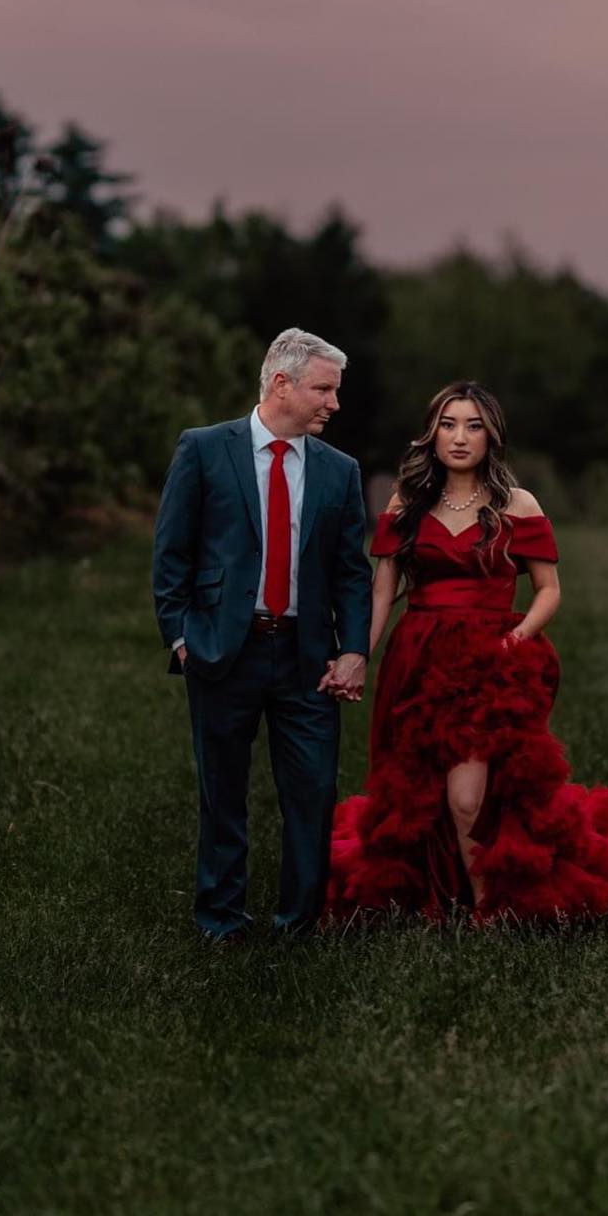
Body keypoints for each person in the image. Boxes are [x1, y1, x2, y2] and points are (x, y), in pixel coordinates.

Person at [330, 381, 608, 922]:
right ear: (431, 434)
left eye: (473, 426)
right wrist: (358, 656)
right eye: (448, 425)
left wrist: (513, 642)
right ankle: (436, 888)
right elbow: (382, 592)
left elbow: (549, 590)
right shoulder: (407, 502)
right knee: (418, 784)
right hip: (417, 657)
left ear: (491, 437)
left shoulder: (517, 504)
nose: (459, 437)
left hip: (488, 661)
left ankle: (488, 909)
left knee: (468, 795)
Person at [153, 329, 372, 940]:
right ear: (282, 384)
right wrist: (181, 638)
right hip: (224, 649)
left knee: (313, 791)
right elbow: (171, 554)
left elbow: (352, 573)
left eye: (335, 391)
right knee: (222, 790)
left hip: (308, 656)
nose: (334, 403)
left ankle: (299, 921)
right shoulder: (204, 450)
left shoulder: (339, 471)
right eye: (323, 389)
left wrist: (354, 650)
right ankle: (221, 919)